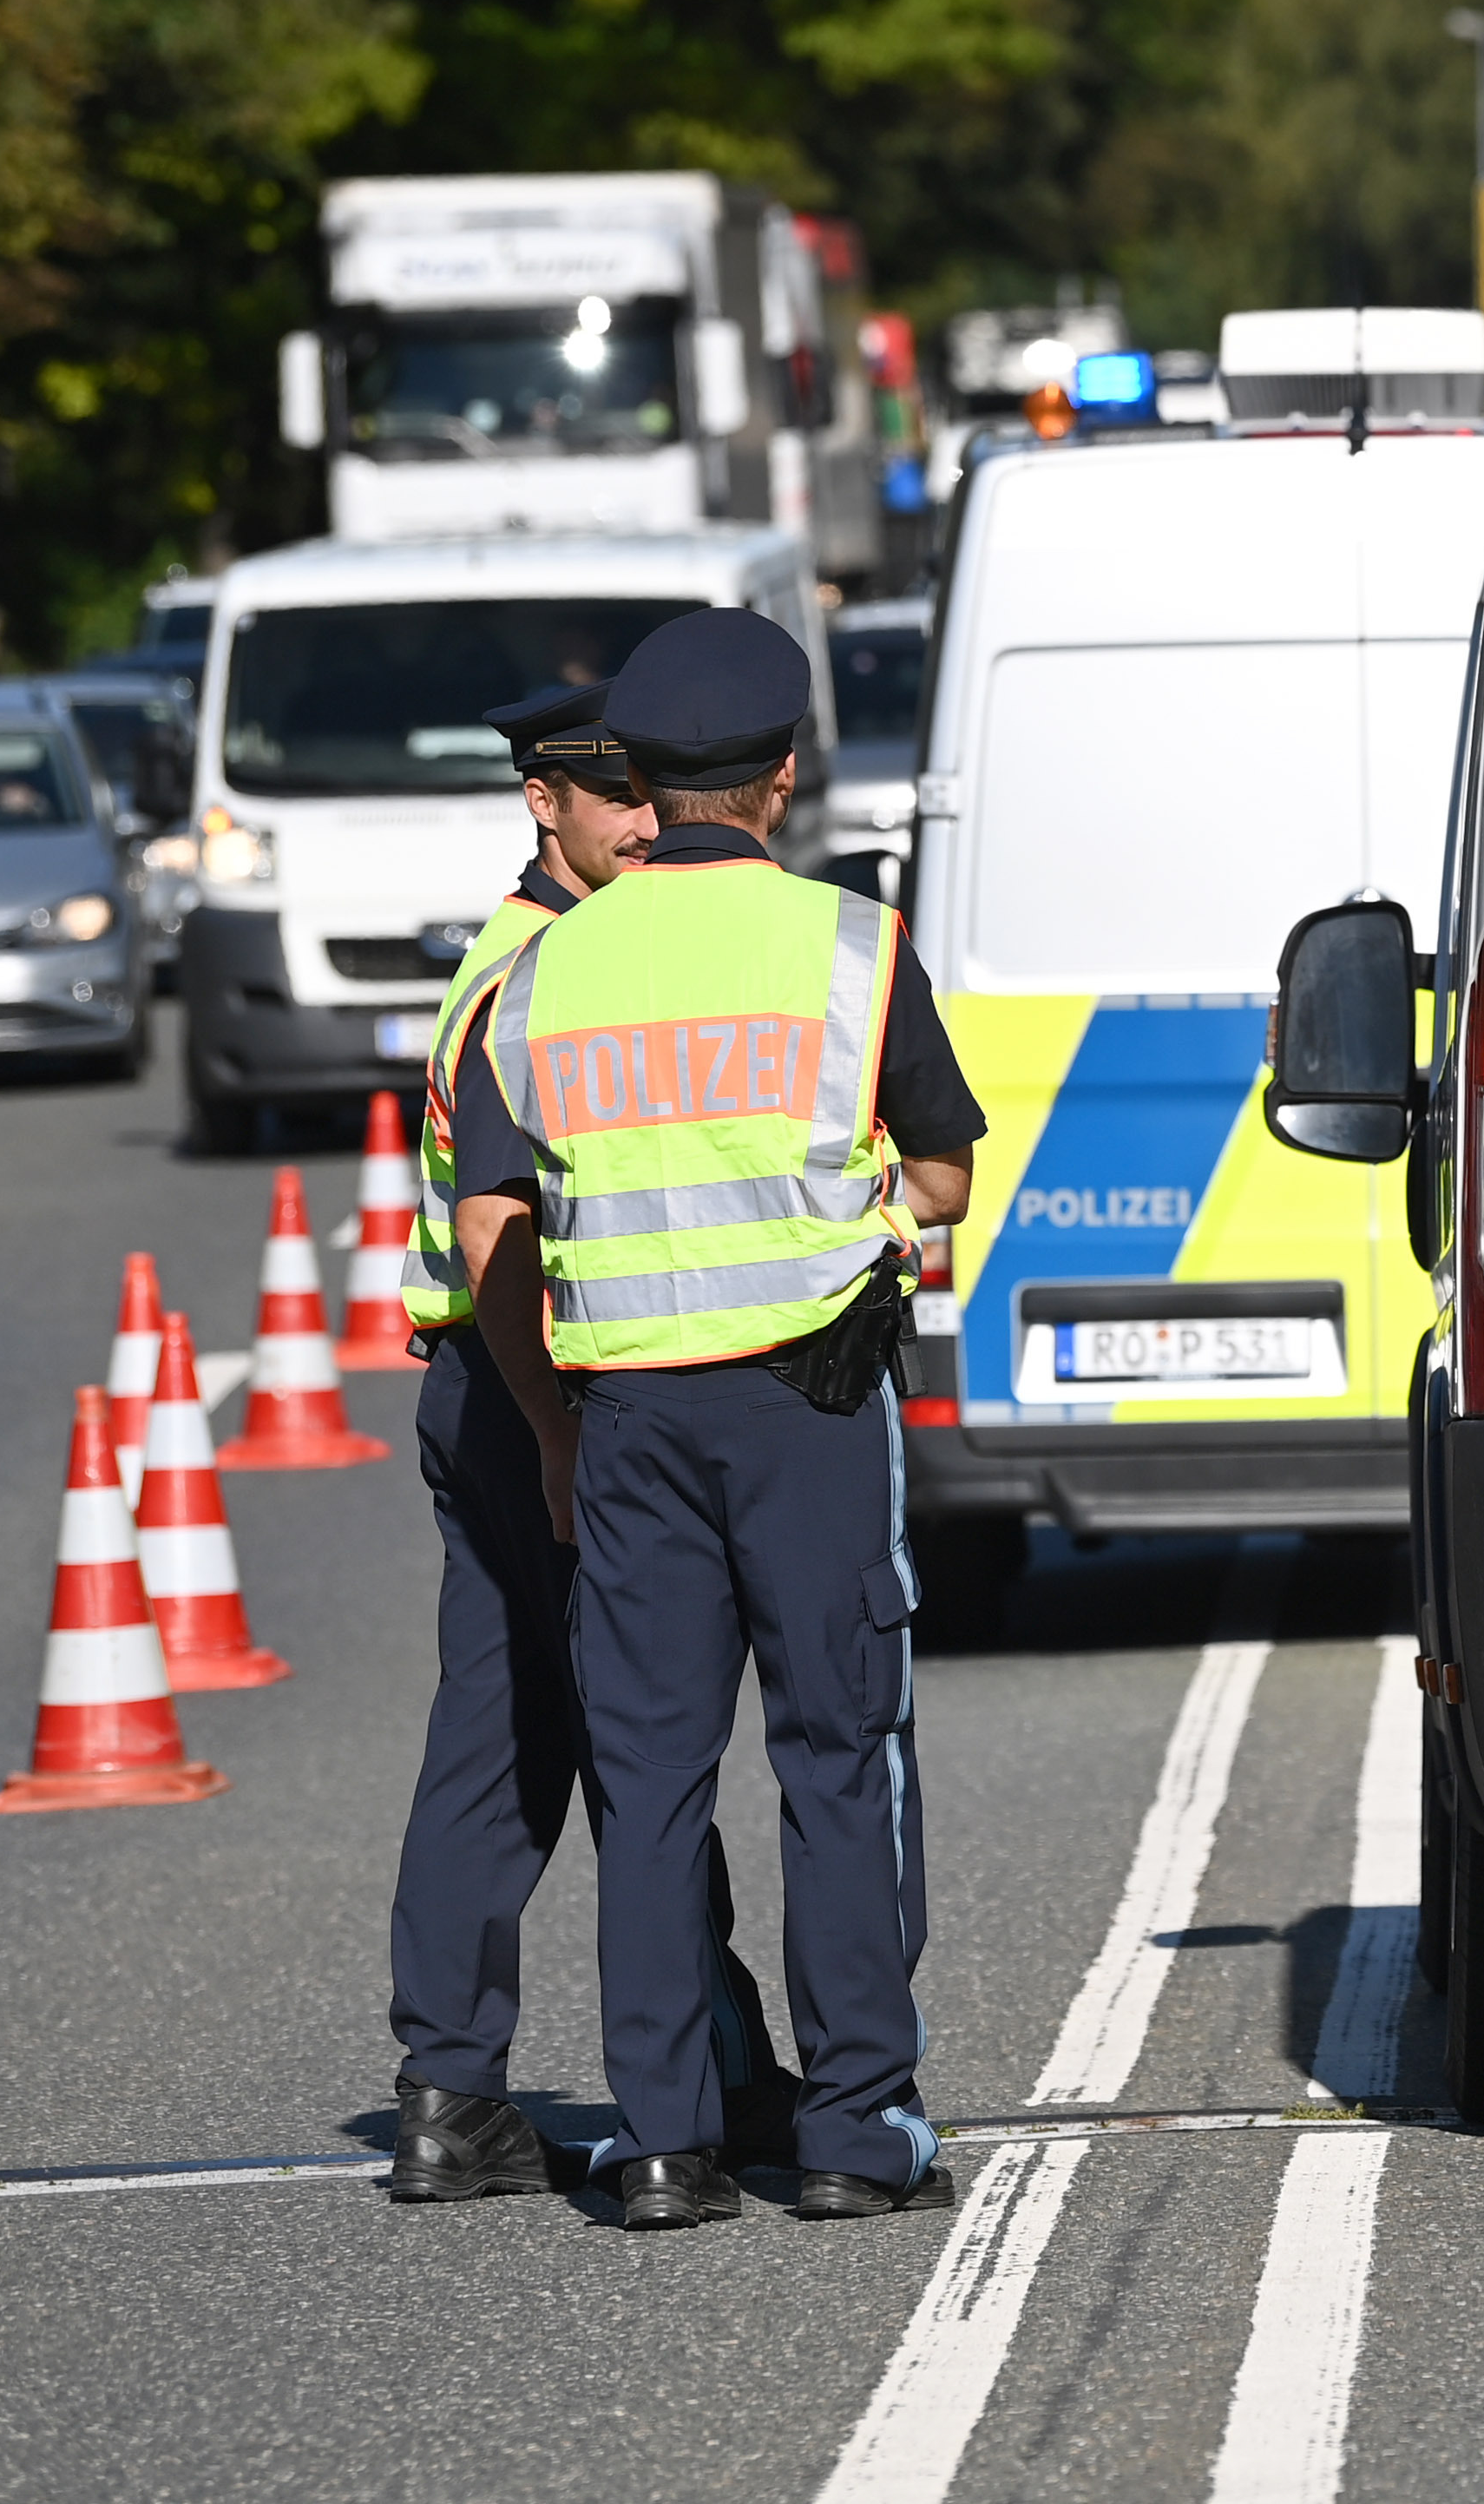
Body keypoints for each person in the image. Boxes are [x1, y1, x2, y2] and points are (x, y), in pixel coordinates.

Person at [443, 610, 988, 2232]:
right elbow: (947, 1166)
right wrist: (884, 1213)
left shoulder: (547, 967)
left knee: (654, 1773)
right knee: (837, 1753)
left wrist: (548, 1427)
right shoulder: (845, 944)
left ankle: (668, 2141)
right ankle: (852, 2122)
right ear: (782, 775)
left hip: (626, 1428)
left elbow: (492, 1232)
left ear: (643, 781)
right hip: (807, 1406)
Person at [380, 681, 796, 2204]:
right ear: (540, 803)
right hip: (546, 1385)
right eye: (608, 795)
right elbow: (509, 1226)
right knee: (644, 1733)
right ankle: (718, 2076)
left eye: (651, 791)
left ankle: (448, 2090)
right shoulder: (550, 966)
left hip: (490, 1383)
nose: (642, 820)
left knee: (502, 1737)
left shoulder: (528, 954)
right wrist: (557, 1430)